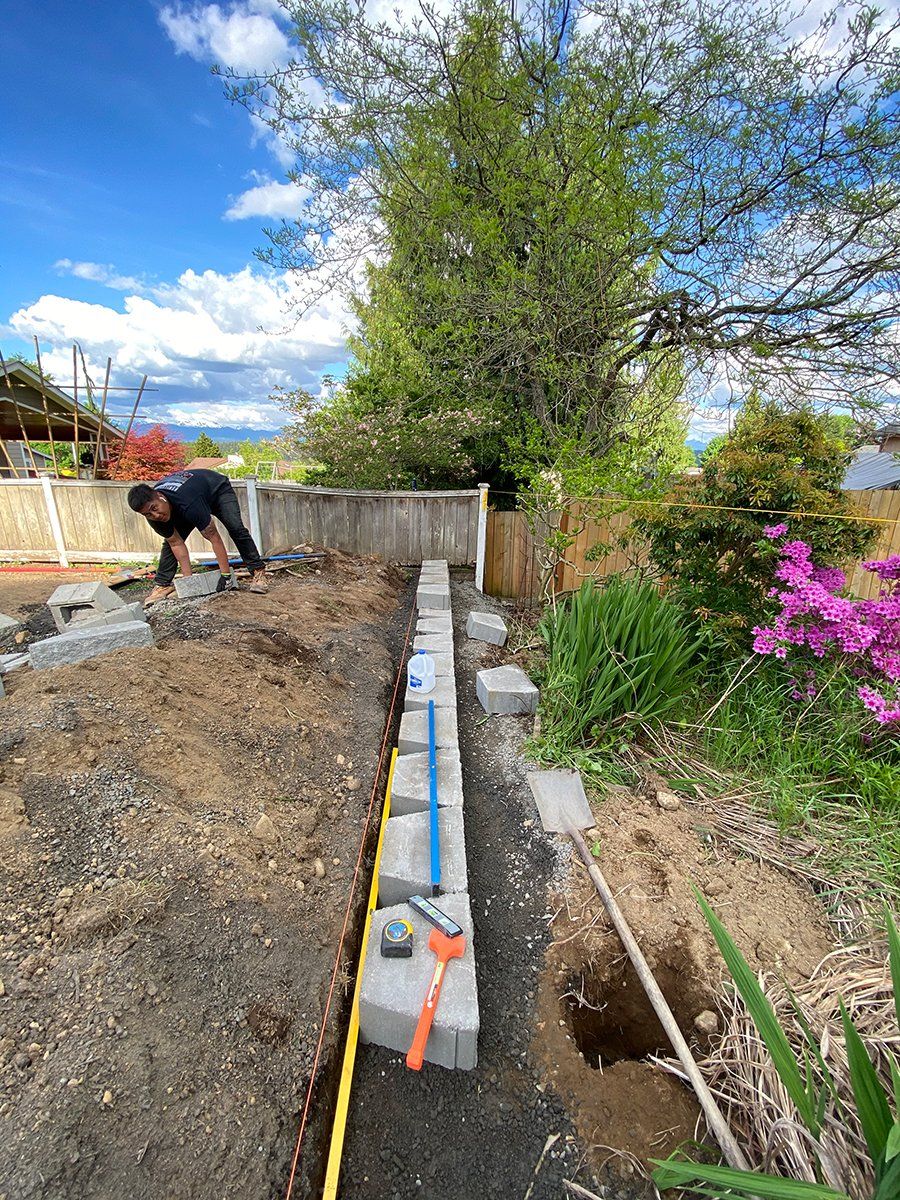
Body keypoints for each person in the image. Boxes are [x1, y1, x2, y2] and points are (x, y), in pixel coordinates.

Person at [127, 468, 267, 606]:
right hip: (186, 499)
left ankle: (258, 572)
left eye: (154, 508)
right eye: (148, 514)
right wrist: (189, 583)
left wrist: (226, 576)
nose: (155, 515)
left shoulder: (188, 502)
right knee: (170, 542)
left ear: (160, 497)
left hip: (217, 490)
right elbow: (176, 544)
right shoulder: (154, 517)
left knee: (236, 528)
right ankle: (163, 585)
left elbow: (214, 537)